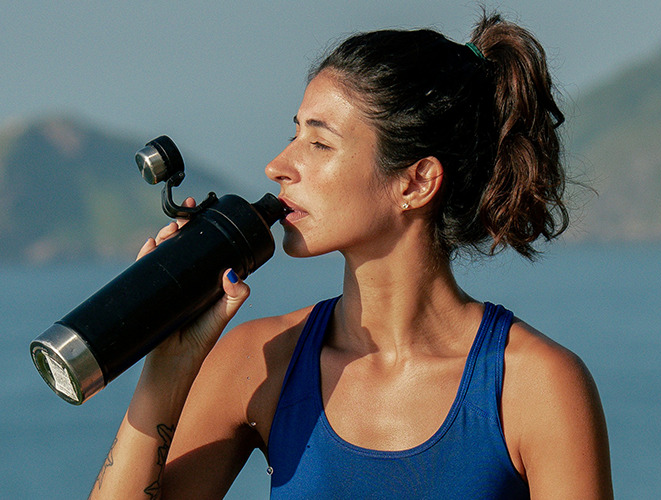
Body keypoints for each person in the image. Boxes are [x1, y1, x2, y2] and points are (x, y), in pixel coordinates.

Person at [89, 12, 613, 499]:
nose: (277, 165)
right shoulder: (260, 361)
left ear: (416, 181)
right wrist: (168, 369)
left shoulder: (535, 385)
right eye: (293, 133)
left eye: (319, 144)